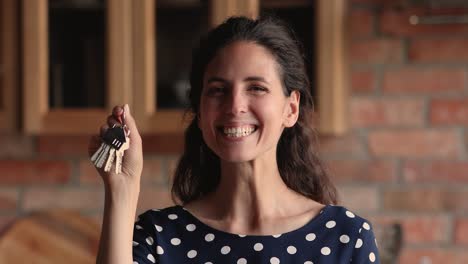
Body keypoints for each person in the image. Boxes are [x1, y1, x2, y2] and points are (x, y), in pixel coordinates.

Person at [92, 16, 380, 264]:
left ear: (290, 109)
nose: (234, 106)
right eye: (218, 90)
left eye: (256, 87)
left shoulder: (346, 238)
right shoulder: (158, 236)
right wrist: (122, 188)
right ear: (200, 111)